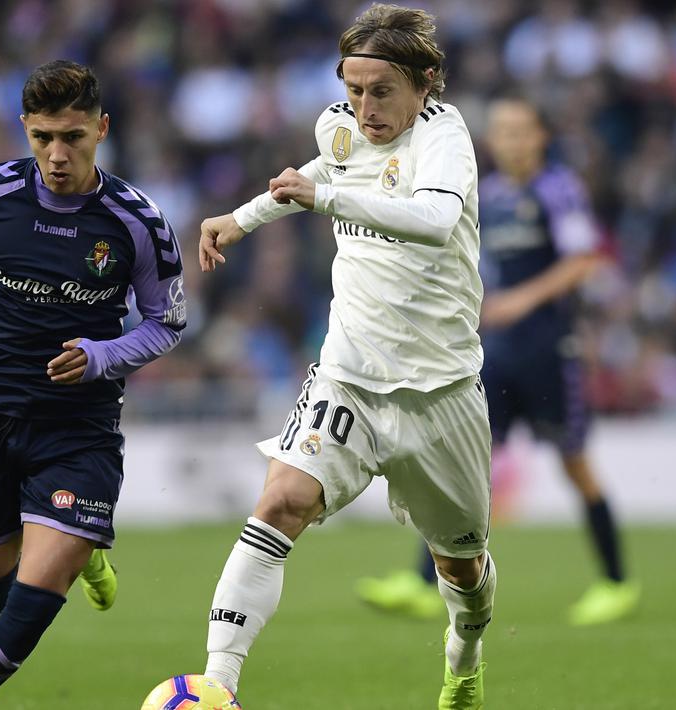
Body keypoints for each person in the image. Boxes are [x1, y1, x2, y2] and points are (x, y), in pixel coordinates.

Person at [197, 6, 493, 708]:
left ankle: (464, 657)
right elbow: (312, 171)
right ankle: (217, 684)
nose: (365, 107)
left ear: (424, 85)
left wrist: (327, 198)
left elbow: (433, 219)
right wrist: (239, 220)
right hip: (348, 377)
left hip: (441, 392)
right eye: (353, 88)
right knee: (279, 501)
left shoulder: (444, 139)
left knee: (462, 569)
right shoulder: (343, 131)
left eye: (381, 91)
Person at [0, 59, 186, 709]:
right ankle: (77, 551)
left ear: (102, 129)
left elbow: (166, 323)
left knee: (28, 611)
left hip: (79, 428)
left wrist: (102, 356)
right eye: (43, 139)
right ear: (25, 130)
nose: (57, 155)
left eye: (73, 137)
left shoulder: (136, 221)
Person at [355, 96, 640, 627]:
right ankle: (422, 584)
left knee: (575, 464)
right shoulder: (489, 193)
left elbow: (584, 260)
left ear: (540, 138)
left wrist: (520, 301)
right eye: (502, 132)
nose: (509, 140)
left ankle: (616, 583)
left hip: (550, 350)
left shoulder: (558, 191)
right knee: (467, 468)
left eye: (520, 131)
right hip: (497, 353)